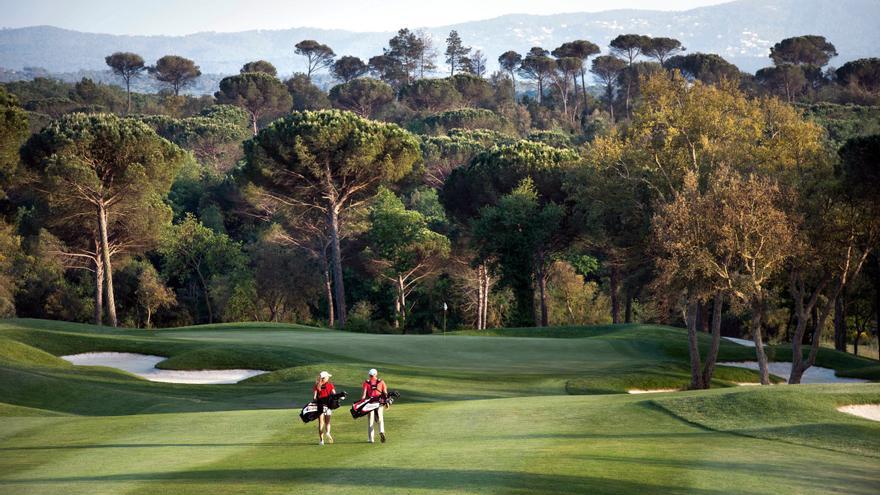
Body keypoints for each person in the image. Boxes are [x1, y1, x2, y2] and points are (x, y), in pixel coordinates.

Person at [361, 368, 388, 443]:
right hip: (379, 402)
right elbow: (385, 393)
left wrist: (361, 403)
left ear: (369, 375)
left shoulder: (366, 383)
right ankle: (381, 431)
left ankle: (371, 439)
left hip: (370, 403)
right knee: (380, 418)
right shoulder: (381, 382)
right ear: (376, 374)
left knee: (370, 420)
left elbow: (364, 395)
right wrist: (387, 402)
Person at [313, 371, 336, 446]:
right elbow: (334, 394)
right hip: (328, 406)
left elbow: (314, 398)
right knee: (328, 422)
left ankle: (321, 440)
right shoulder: (330, 385)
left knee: (321, 423)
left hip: (320, 406)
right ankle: (328, 432)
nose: (328, 378)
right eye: (328, 377)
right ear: (325, 378)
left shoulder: (317, 385)